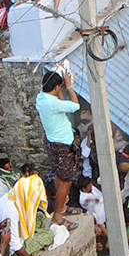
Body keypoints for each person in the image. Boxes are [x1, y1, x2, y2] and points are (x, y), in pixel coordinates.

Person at [35, 67, 80, 227]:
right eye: (59, 87)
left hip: (52, 142)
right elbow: (75, 106)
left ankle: (62, 206)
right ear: (56, 88)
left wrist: (60, 87)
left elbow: (60, 103)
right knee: (67, 181)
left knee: (59, 175)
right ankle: (58, 215)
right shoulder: (51, 103)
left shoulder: (41, 98)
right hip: (62, 145)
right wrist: (68, 86)